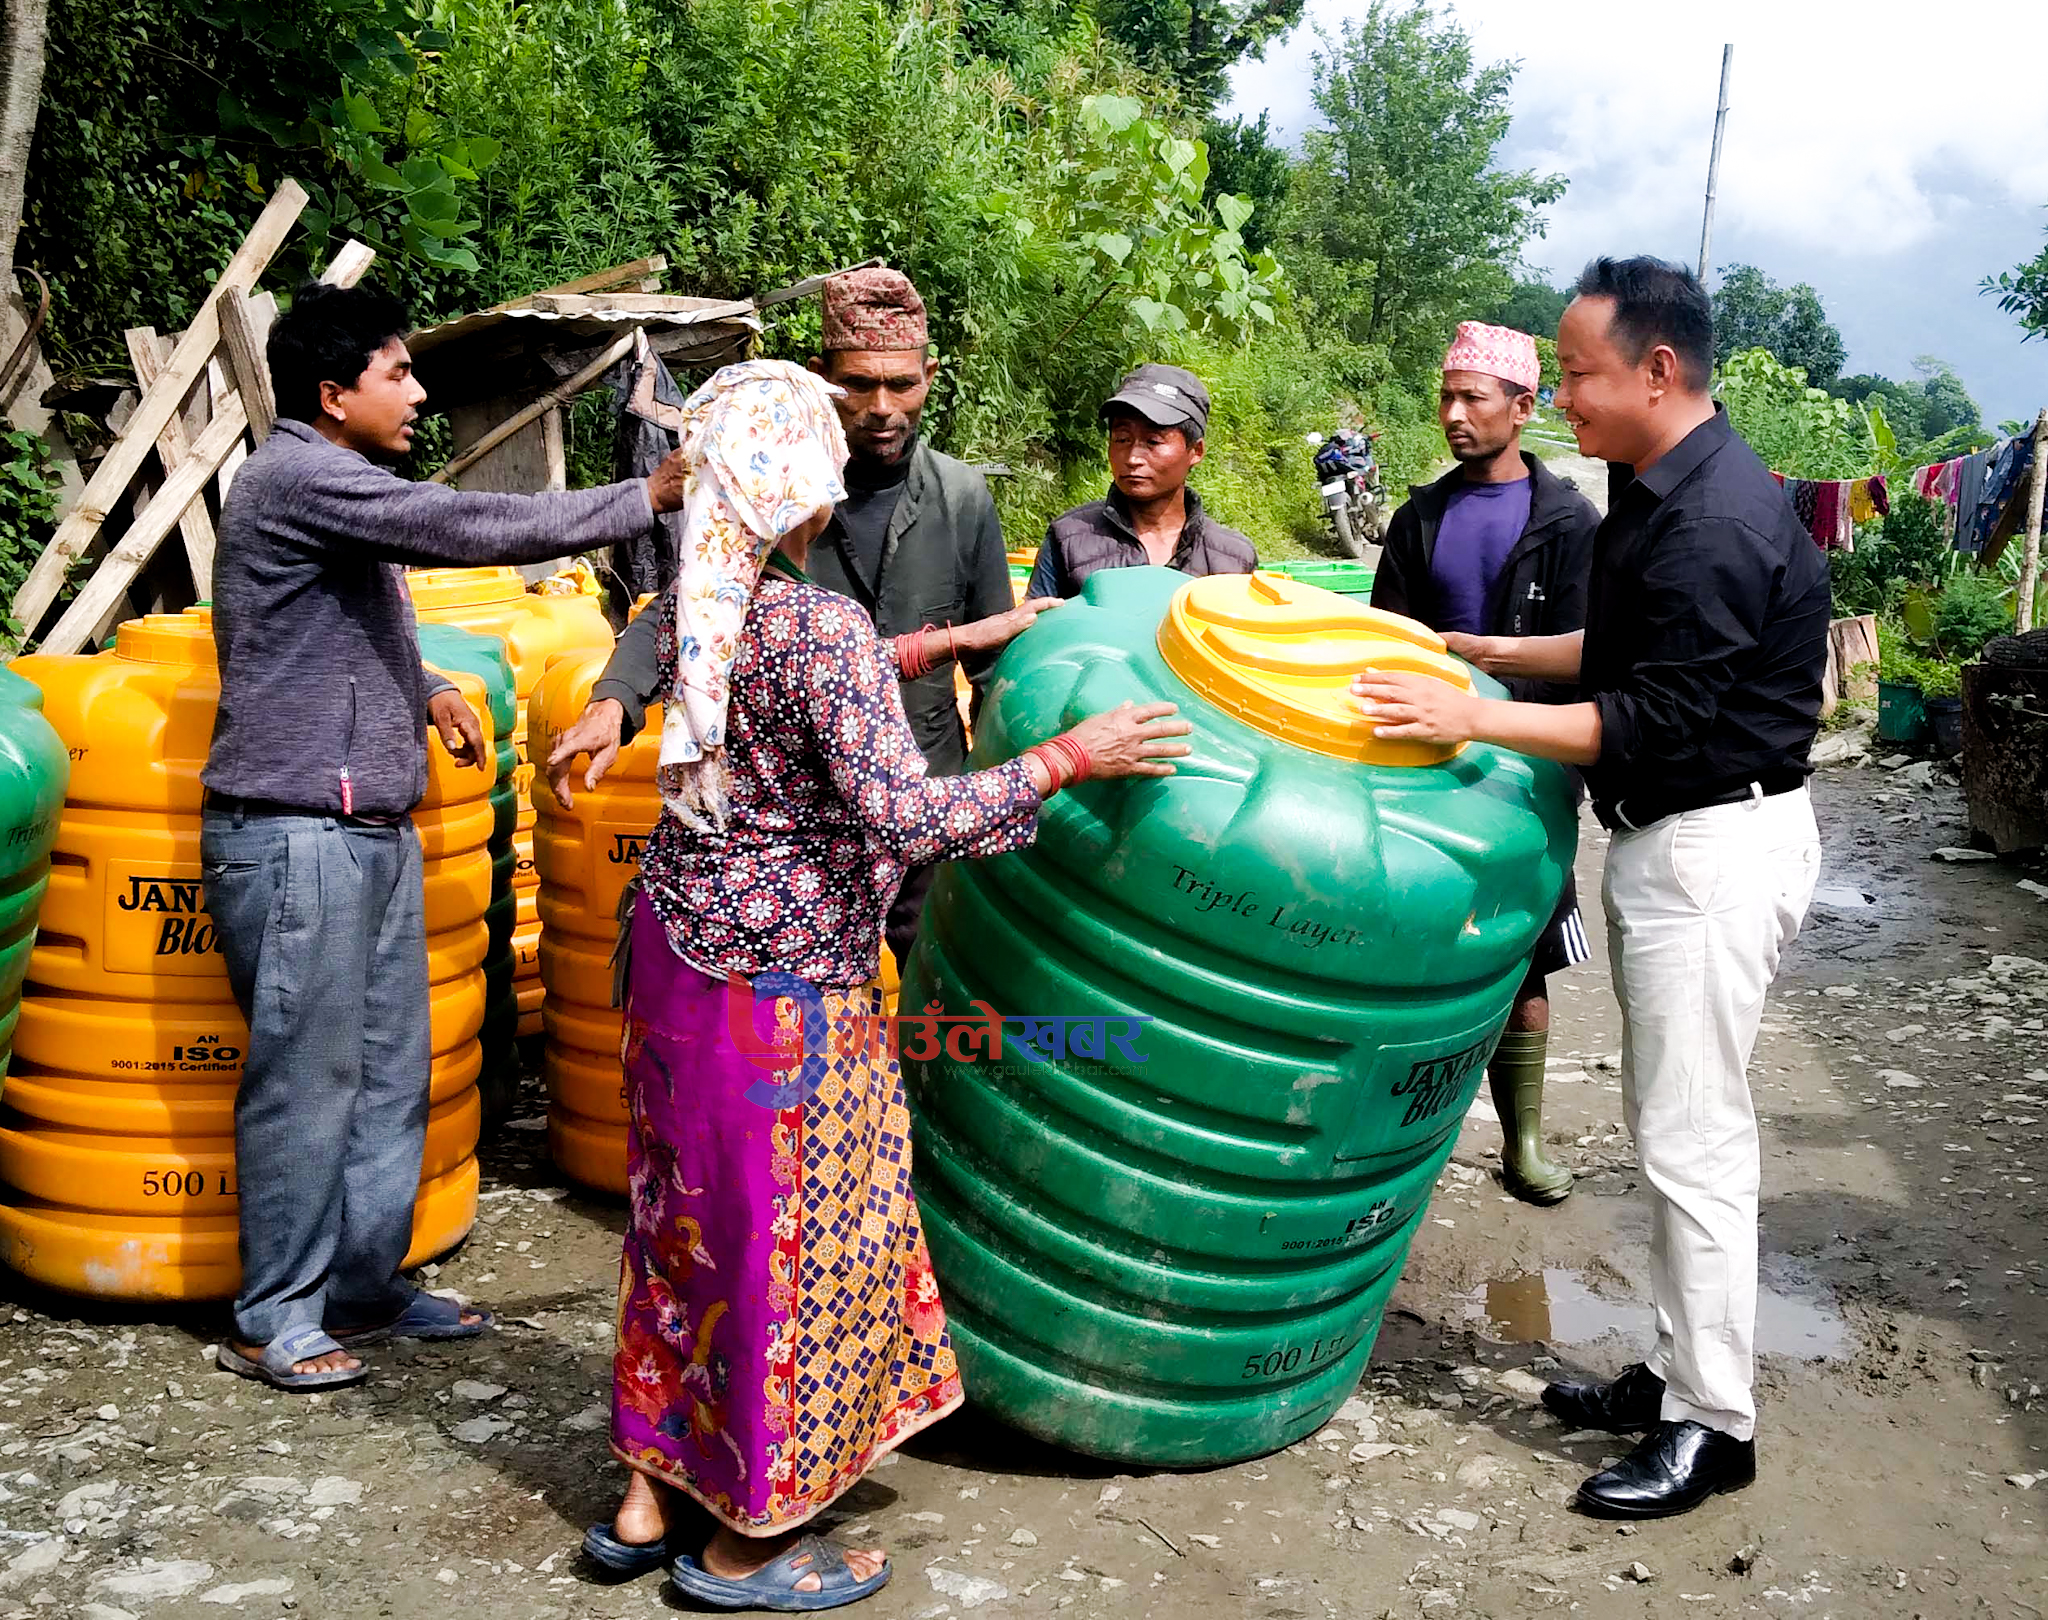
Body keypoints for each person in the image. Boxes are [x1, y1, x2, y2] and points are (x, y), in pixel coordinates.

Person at [545, 360, 1191, 1609]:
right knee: (788, 1250)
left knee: (677, 1225)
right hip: (787, 994)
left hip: (676, 965)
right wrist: (1070, 755)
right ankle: (749, 1546)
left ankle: (646, 1493)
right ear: (802, 481)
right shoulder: (815, 628)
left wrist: (956, 636)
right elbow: (901, 813)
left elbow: (797, 684)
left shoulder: (700, 600)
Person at [1351, 257, 1827, 1519]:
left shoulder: (1715, 520)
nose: (1560, 399)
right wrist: (1482, 653)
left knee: (1693, 1143)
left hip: (1714, 847)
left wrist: (1468, 716)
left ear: (1656, 371)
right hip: (1678, 844)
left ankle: (1712, 1425)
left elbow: (1654, 717)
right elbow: (1616, 652)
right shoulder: (1657, 491)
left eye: (1574, 375)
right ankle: (1674, 1375)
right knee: (1669, 1125)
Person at [202, 282, 693, 1392]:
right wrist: (642, 496)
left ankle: (363, 1287)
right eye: (398, 374)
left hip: (359, 830)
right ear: (333, 397)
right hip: (294, 836)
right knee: (308, 1078)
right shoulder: (300, 477)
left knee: (388, 1073)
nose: (419, 394)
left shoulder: (332, 487)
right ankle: (272, 1312)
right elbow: (460, 526)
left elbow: (306, 630)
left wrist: (424, 687)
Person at [1371, 321, 1599, 1206]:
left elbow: (1594, 656)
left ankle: (1524, 1140)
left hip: (1525, 768)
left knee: (1525, 956)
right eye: (1446, 397)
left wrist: (1499, 669)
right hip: (1420, 761)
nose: (1455, 415)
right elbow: (1382, 639)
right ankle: (1393, 1138)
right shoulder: (1418, 518)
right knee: (1407, 938)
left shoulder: (1572, 527)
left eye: (1474, 398)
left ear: (1522, 405)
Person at [802, 268, 1027, 970]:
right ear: (819, 376)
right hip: (805, 801)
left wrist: (1004, 790)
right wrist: (615, 698)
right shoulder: (781, 491)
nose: (881, 406)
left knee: (936, 975)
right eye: (858, 385)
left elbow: (993, 665)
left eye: (902, 384)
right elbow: (703, 614)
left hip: (926, 792)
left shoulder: (961, 497)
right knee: (796, 1010)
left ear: (930, 375)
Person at [1026, 363, 1256, 599]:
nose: (1133, 458)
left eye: (1153, 442)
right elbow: (1038, 631)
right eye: (1122, 438)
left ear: (1195, 451)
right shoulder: (1068, 538)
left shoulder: (1233, 559)